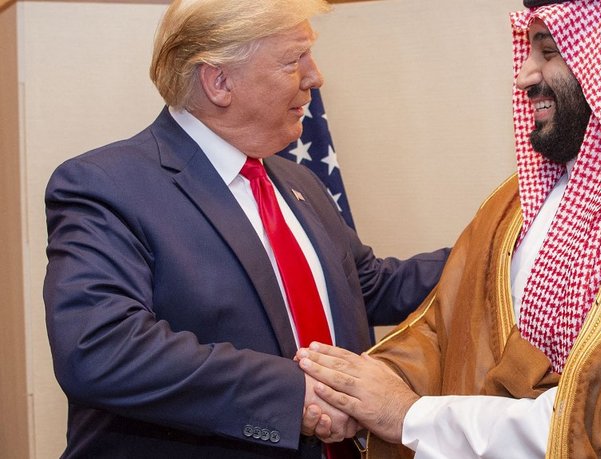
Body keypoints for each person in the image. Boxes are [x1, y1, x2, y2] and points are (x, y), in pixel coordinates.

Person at [295, 0, 601, 457]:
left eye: (547, 52)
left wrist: (411, 416)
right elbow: (445, 330)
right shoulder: (514, 202)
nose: (524, 75)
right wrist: (356, 390)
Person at [42, 0, 448, 457]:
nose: (315, 77)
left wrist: (503, 244)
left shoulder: (297, 181)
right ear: (219, 81)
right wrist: (294, 396)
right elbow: (100, 349)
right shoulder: (107, 185)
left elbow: (371, 285)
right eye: (294, 60)